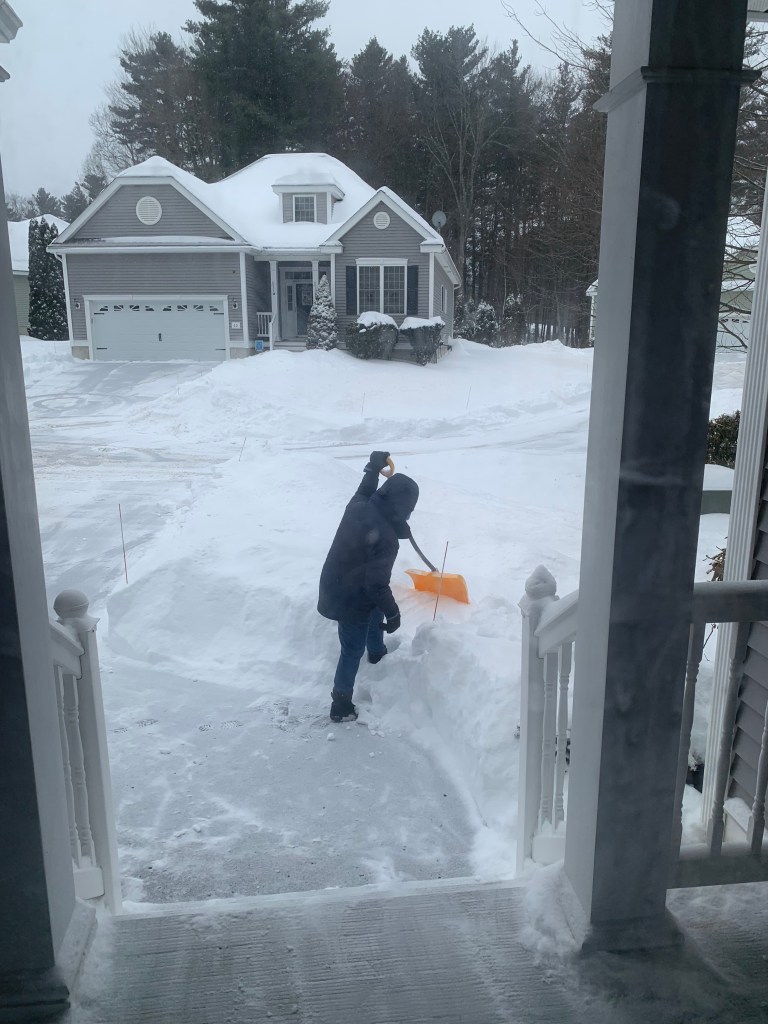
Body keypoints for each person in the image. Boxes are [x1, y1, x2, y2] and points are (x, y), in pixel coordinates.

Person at [318, 451, 419, 722]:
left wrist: (373, 468)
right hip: (350, 598)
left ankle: (377, 653)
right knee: (351, 648)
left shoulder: (358, 505)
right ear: (402, 508)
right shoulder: (387, 539)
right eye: (408, 510)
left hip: (334, 584)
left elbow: (366, 490)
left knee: (373, 609)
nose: (409, 515)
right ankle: (340, 703)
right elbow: (376, 585)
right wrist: (394, 613)